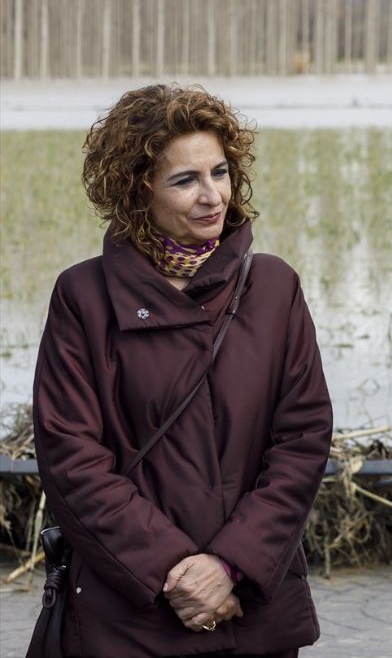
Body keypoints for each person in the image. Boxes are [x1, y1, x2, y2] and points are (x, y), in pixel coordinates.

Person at [31, 84, 333, 657]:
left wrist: (229, 564)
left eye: (220, 172)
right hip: (131, 612)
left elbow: (304, 437)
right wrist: (178, 572)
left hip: (251, 609)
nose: (212, 196)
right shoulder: (83, 297)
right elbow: (71, 457)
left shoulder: (274, 287)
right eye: (185, 180)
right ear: (136, 189)